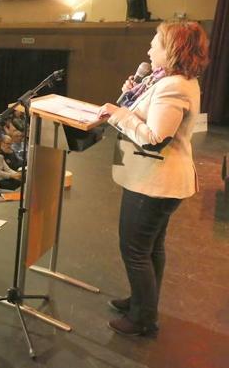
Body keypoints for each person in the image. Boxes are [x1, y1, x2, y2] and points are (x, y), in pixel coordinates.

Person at [97, 21, 209, 336]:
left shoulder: (174, 86)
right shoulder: (165, 79)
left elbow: (156, 137)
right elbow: (146, 115)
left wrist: (117, 114)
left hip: (156, 183)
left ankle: (142, 319)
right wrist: (128, 98)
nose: (149, 48)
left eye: (155, 42)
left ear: (172, 50)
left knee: (134, 249)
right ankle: (142, 303)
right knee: (150, 248)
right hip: (156, 180)